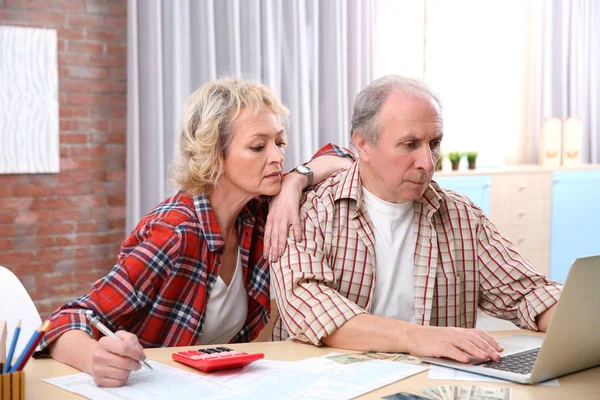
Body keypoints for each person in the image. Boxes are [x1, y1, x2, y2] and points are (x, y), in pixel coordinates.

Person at [39, 77, 353, 387]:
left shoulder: (256, 212)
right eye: (258, 146)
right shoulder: (174, 233)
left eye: (279, 142)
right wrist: (95, 357)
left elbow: (346, 159)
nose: (277, 156)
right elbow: (66, 320)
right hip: (148, 389)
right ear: (214, 154)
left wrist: (296, 181)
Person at [271, 75, 562, 364]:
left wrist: (577, 319)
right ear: (362, 144)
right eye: (409, 144)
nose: (427, 162)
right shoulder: (309, 212)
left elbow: (528, 294)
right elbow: (309, 308)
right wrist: (417, 337)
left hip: (430, 386)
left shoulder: (461, 216)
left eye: (434, 143)